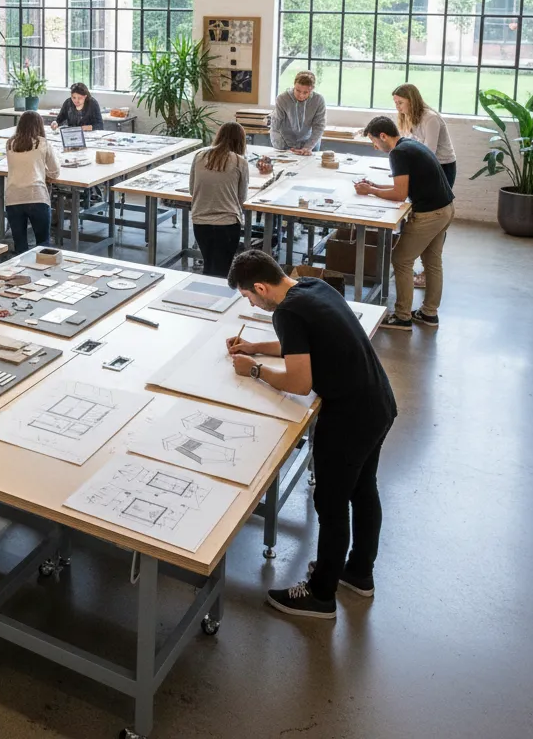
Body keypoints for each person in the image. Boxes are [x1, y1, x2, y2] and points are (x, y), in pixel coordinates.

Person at [226, 250, 397, 620]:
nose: (252, 305)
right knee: (364, 490)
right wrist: (255, 346)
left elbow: (300, 382)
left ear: (259, 287)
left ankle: (321, 594)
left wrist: (254, 370)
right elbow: (303, 346)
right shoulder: (310, 286)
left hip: (349, 415)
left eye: (249, 298)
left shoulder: (286, 313)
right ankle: (358, 573)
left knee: (331, 504)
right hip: (378, 401)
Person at [356, 116, 455, 331]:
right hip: (445, 208)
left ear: (383, 136)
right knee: (432, 261)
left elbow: (400, 194)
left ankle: (402, 317)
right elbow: (403, 186)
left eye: (374, 141)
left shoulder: (398, 153)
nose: (375, 146)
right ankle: (429, 313)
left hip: (430, 214)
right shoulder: (410, 145)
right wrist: (375, 185)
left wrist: (371, 191)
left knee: (401, 259)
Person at [391, 84, 457, 290]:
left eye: (400, 103)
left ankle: (428, 270)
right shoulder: (408, 116)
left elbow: (429, 150)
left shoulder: (431, 118)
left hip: (442, 165)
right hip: (426, 165)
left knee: (434, 213)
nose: (398, 107)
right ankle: (423, 265)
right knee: (422, 212)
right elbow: (409, 142)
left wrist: (407, 170)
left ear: (412, 100)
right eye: (395, 103)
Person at [188, 122, 249, 277]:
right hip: (227, 223)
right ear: (240, 141)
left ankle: (205, 298)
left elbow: (191, 190)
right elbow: (242, 198)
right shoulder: (239, 161)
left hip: (200, 221)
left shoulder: (199, 156)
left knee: (209, 266)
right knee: (224, 270)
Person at [5, 110, 61, 254]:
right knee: (43, 244)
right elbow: (55, 172)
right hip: (36, 196)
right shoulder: (43, 143)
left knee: (20, 245)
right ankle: (42, 275)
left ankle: (21, 273)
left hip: (13, 198)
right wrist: (43, 172)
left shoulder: (10, 143)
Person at [270, 70, 326, 154]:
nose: (301, 95)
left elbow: (319, 127)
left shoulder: (318, 100)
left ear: (312, 89)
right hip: (285, 143)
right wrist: (281, 148)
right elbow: (275, 126)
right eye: (298, 90)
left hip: (310, 143)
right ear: (294, 85)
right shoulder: (282, 99)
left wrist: (308, 147)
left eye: (305, 92)